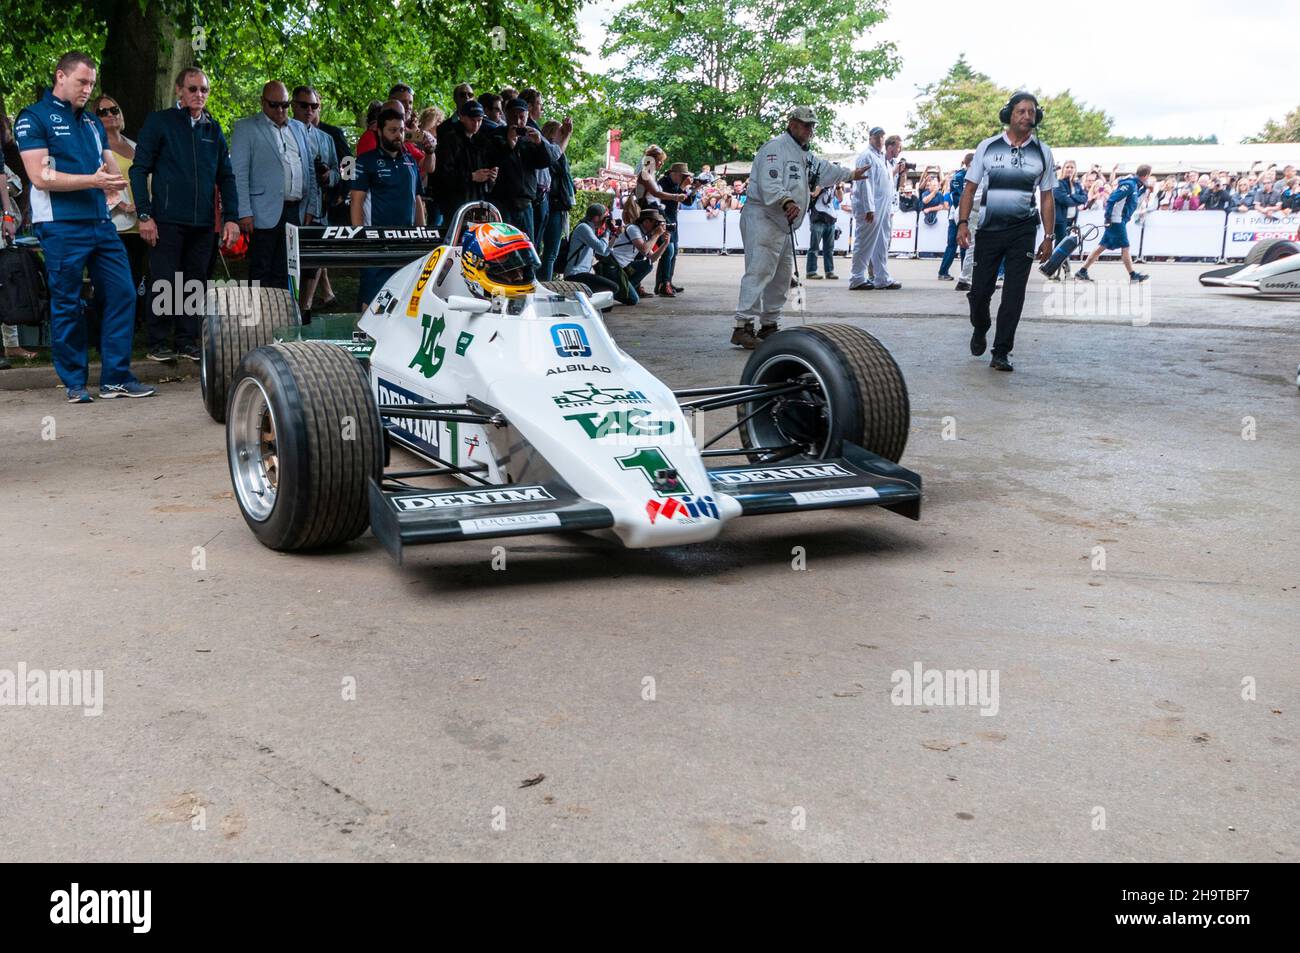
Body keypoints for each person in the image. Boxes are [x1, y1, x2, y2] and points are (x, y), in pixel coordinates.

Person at [15, 51, 155, 401]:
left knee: (123, 292)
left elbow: (109, 170)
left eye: (91, 83)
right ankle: (75, 382)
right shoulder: (33, 117)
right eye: (82, 82)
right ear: (60, 76)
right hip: (60, 225)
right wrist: (95, 182)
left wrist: (114, 185)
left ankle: (115, 378)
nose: (87, 90)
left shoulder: (93, 123)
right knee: (68, 301)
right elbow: (40, 176)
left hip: (101, 223)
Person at [730, 107, 868, 349]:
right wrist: (786, 200)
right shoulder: (775, 148)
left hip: (784, 224)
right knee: (759, 271)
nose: (810, 130)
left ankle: (769, 324)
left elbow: (826, 170)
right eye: (806, 125)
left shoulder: (805, 154)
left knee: (783, 276)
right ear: (792, 124)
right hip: (763, 217)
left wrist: (851, 174)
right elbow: (768, 182)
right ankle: (743, 326)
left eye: (812, 126)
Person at [131, 68, 240, 362]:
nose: (198, 95)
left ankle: (186, 339)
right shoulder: (160, 122)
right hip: (165, 219)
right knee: (165, 279)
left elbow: (227, 176)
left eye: (203, 90)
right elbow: (139, 169)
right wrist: (144, 215)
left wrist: (231, 216)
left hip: (203, 222)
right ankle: (157, 342)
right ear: (179, 90)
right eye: (192, 89)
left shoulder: (212, 129)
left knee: (195, 281)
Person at [956, 91, 1057, 372]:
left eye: (1032, 112)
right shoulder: (987, 147)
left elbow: (1047, 196)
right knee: (979, 293)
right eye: (1021, 111)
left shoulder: (1043, 152)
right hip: (989, 229)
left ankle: (1001, 351)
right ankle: (981, 325)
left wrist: (1048, 237)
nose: (1027, 116)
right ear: (1008, 114)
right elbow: (970, 188)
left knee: (1014, 293)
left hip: (1023, 230)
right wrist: (963, 223)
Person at [230, 81, 319, 291]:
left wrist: (311, 207)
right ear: (262, 102)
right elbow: (238, 174)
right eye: (274, 105)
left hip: (295, 210)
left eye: (285, 105)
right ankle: (259, 321)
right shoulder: (246, 128)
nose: (280, 110)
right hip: (261, 212)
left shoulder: (299, 128)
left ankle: (282, 320)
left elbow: (310, 169)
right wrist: (243, 212)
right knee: (261, 270)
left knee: (287, 271)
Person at [350, 107, 424, 307]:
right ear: (380, 132)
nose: (398, 135)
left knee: (403, 301)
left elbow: (417, 200)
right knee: (373, 301)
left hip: (406, 244)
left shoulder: (410, 161)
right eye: (392, 130)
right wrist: (359, 237)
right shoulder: (366, 161)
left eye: (401, 130)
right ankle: (365, 338)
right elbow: (356, 201)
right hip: (376, 243)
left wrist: (422, 235)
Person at [91, 93, 148, 334]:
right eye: (102, 112)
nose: (110, 115)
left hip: (140, 225)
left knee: (137, 279)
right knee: (114, 282)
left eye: (113, 110)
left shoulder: (135, 146)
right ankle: (106, 330)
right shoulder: (94, 146)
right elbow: (94, 182)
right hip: (114, 225)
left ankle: (133, 326)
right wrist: (121, 206)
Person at [292, 85, 343, 310]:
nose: (309, 110)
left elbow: (341, 168)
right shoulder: (285, 133)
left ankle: (306, 307)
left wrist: (329, 177)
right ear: (293, 105)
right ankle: (285, 308)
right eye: (304, 105)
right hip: (291, 207)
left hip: (320, 209)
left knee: (314, 260)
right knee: (291, 261)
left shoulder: (328, 137)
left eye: (314, 106)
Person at [481, 98, 551, 241]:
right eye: (514, 116)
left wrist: (539, 144)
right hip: (503, 202)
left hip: (526, 204)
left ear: (527, 117)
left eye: (522, 117)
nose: (518, 121)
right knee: (503, 248)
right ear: (506, 115)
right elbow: (495, 161)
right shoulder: (496, 135)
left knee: (527, 249)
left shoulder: (529, 137)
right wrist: (510, 144)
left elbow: (544, 162)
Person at [1075, 165, 1151, 283]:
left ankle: (1082, 271)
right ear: (1146, 175)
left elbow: (1133, 199)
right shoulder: (1130, 185)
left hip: (1120, 220)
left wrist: (1144, 189)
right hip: (1116, 220)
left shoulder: (1135, 186)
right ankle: (1133, 275)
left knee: (1101, 247)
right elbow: (1112, 199)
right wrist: (1108, 217)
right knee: (1125, 247)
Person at [432, 100, 498, 231]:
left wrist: (491, 177)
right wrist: (471, 176)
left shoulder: (482, 142)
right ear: (462, 117)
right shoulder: (449, 140)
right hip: (455, 204)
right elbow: (443, 175)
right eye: (472, 120)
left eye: (479, 120)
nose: (476, 124)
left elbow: (487, 172)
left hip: (478, 203)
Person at [849, 127, 902, 291]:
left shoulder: (881, 158)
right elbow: (865, 184)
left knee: (882, 243)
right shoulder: (866, 156)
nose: (879, 140)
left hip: (883, 208)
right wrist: (869, 208)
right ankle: (857, 277)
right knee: (864, 242)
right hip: (871, 209)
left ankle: (882, 277)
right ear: (870, 138)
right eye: (876, 137)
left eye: (881, 137)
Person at [537, 119, 575, 281]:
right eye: (561, 131)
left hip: (547, 204)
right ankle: (545, 287)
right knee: (550, 253)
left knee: (541, 250)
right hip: (555, 205)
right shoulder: (553, 153)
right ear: (553, 133)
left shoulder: (542, 150)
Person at [609, 205, 669, 303]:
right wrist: (656, 235)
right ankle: (617, 291)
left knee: (648, 265)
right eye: (656, 222)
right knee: (633, 300)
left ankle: (625, 288)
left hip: (624, 267)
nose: (657, 226)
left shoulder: (644, 234)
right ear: (646, 221)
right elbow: (644, 250)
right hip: (613, 266)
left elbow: (652, 258)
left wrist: (665, 244)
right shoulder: (633, 229)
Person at [561, 203, 620, 296]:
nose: (605, 221)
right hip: (575, 274)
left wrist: (615, 236)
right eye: (604, 218)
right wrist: (607, 231)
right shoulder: (584, 228)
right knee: (612, 288)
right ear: (596, 218)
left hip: (583, 273)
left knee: (610, 291)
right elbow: (601, 248)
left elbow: (604, 252)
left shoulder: (590, 228)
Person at [937, 153, 972, 280]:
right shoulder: (958, 177)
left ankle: (965, 274)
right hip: (956, 216)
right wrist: (965, 211)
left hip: (967, 215)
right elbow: (957, 197)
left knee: (965, 246)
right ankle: (943, 271)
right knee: (952, 245)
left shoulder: (973, 176)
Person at [805, 181, 839, 279]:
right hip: (818, 218)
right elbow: (814, 194)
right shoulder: (820, 182)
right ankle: (811, 272)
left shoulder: (834, 185)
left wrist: (838, 187)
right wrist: (823, 184)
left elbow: (840, 198)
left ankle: (830, 271)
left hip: (831, 218)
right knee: (814, 247)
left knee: (829, 248)